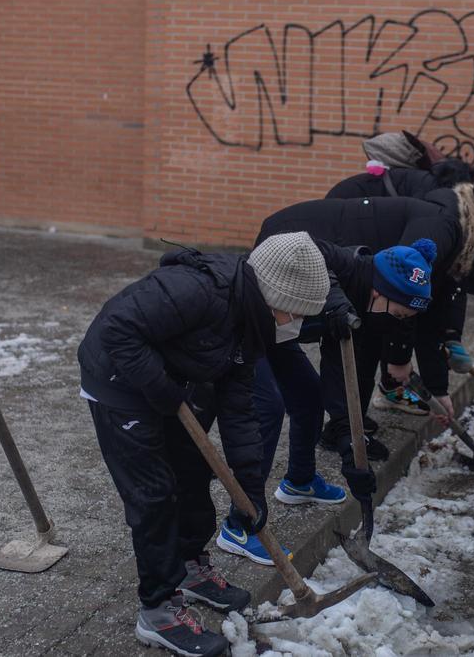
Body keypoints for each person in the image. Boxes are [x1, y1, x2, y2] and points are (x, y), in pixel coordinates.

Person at [77, 232, 330, 656]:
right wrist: (162, 392)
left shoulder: (250, 322)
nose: (296, 325)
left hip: (170, 382)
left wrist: (250, 491)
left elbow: (240, 412)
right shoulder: (196, 290)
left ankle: (189, 566)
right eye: (295, 314)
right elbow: (119, 328)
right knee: (154, 495)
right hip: (118, 382)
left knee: (193, 472)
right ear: (274, 297)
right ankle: (157, 610)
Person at [214, 238, 439, 564]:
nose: (400, 322)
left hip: (279, 331)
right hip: (245, 323)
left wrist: (350, 443)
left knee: (310, 393)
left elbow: (339, 375)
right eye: (401, 313)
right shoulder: (348, 269)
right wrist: (336, 303)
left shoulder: (368, 312)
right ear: (381, 293)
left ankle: (299, 481)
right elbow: (313, 246)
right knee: (268, 408)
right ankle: (240, 524)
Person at [258, 181, 474, 453]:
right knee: (336, 337)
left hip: (345, 260)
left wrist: (437, 387)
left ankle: (346, 428)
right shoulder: (441, 228)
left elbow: (428, 312)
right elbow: (404, 298)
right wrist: (398, 359)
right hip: (298, 240)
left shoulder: (455, 236)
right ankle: (337, 428)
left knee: (365, 337)